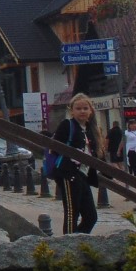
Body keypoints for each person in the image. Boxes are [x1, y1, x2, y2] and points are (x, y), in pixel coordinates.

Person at [51, 93, 100, 235]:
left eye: (85, 108)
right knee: (72, 212)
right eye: (78, 108)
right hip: (69, 174)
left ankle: (78, 240)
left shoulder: (90, 129)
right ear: (72, 111)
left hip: (84, 174)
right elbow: (54, 147)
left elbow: (95, 153)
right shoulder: (67, 125)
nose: (82, 111)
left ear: (90, 111)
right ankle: (69, 243)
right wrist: (73, 155)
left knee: (91, 216)